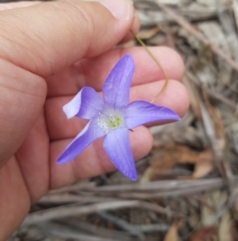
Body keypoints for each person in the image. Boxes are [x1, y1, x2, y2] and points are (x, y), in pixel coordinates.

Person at [0, 0, 189, 239]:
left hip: (119, 114)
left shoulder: (119, 111)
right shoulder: (93, 117)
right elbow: (85, 121)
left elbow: (127, 67)